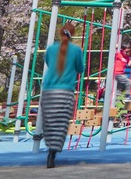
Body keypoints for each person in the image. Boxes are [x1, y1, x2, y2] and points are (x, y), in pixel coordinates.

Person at [39, 22, 85, 169]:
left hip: (48, 90)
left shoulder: (51, 50)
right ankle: (53, 152)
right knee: (61, 124)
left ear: (60, 33)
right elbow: (80, 68)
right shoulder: (76, 50)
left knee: (49, 122)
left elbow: (47, 62)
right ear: (72, 34)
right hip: (65, 91)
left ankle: (50, 150)